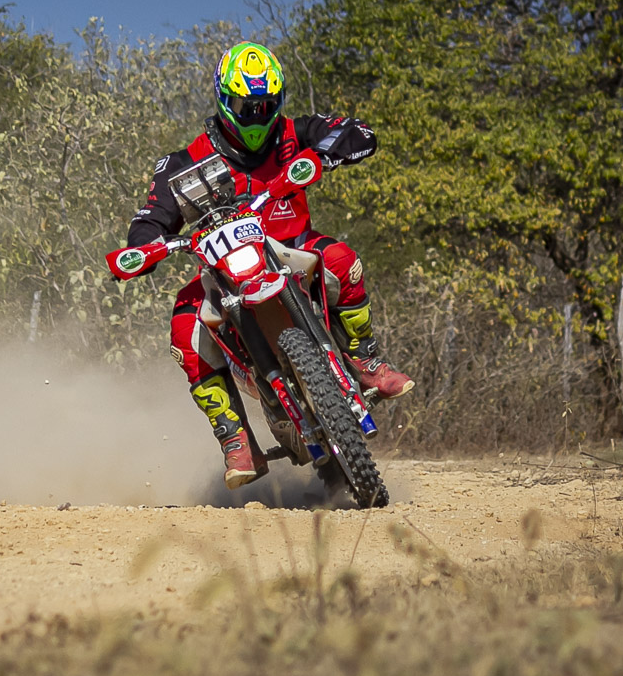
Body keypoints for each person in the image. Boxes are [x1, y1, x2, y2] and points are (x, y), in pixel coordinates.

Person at [124, 41, 413, 489]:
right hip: (224, 272)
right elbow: (150, 217)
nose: (258, 117)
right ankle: (236, 438)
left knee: (344, 260)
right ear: (224, 101)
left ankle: (366, 359)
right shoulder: (186, 162)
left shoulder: (295, 133)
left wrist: (321, 155)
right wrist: (144, 249)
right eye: (246, 106)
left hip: (293, 250)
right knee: (184, 326)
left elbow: (359, 134)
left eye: (266, 107)